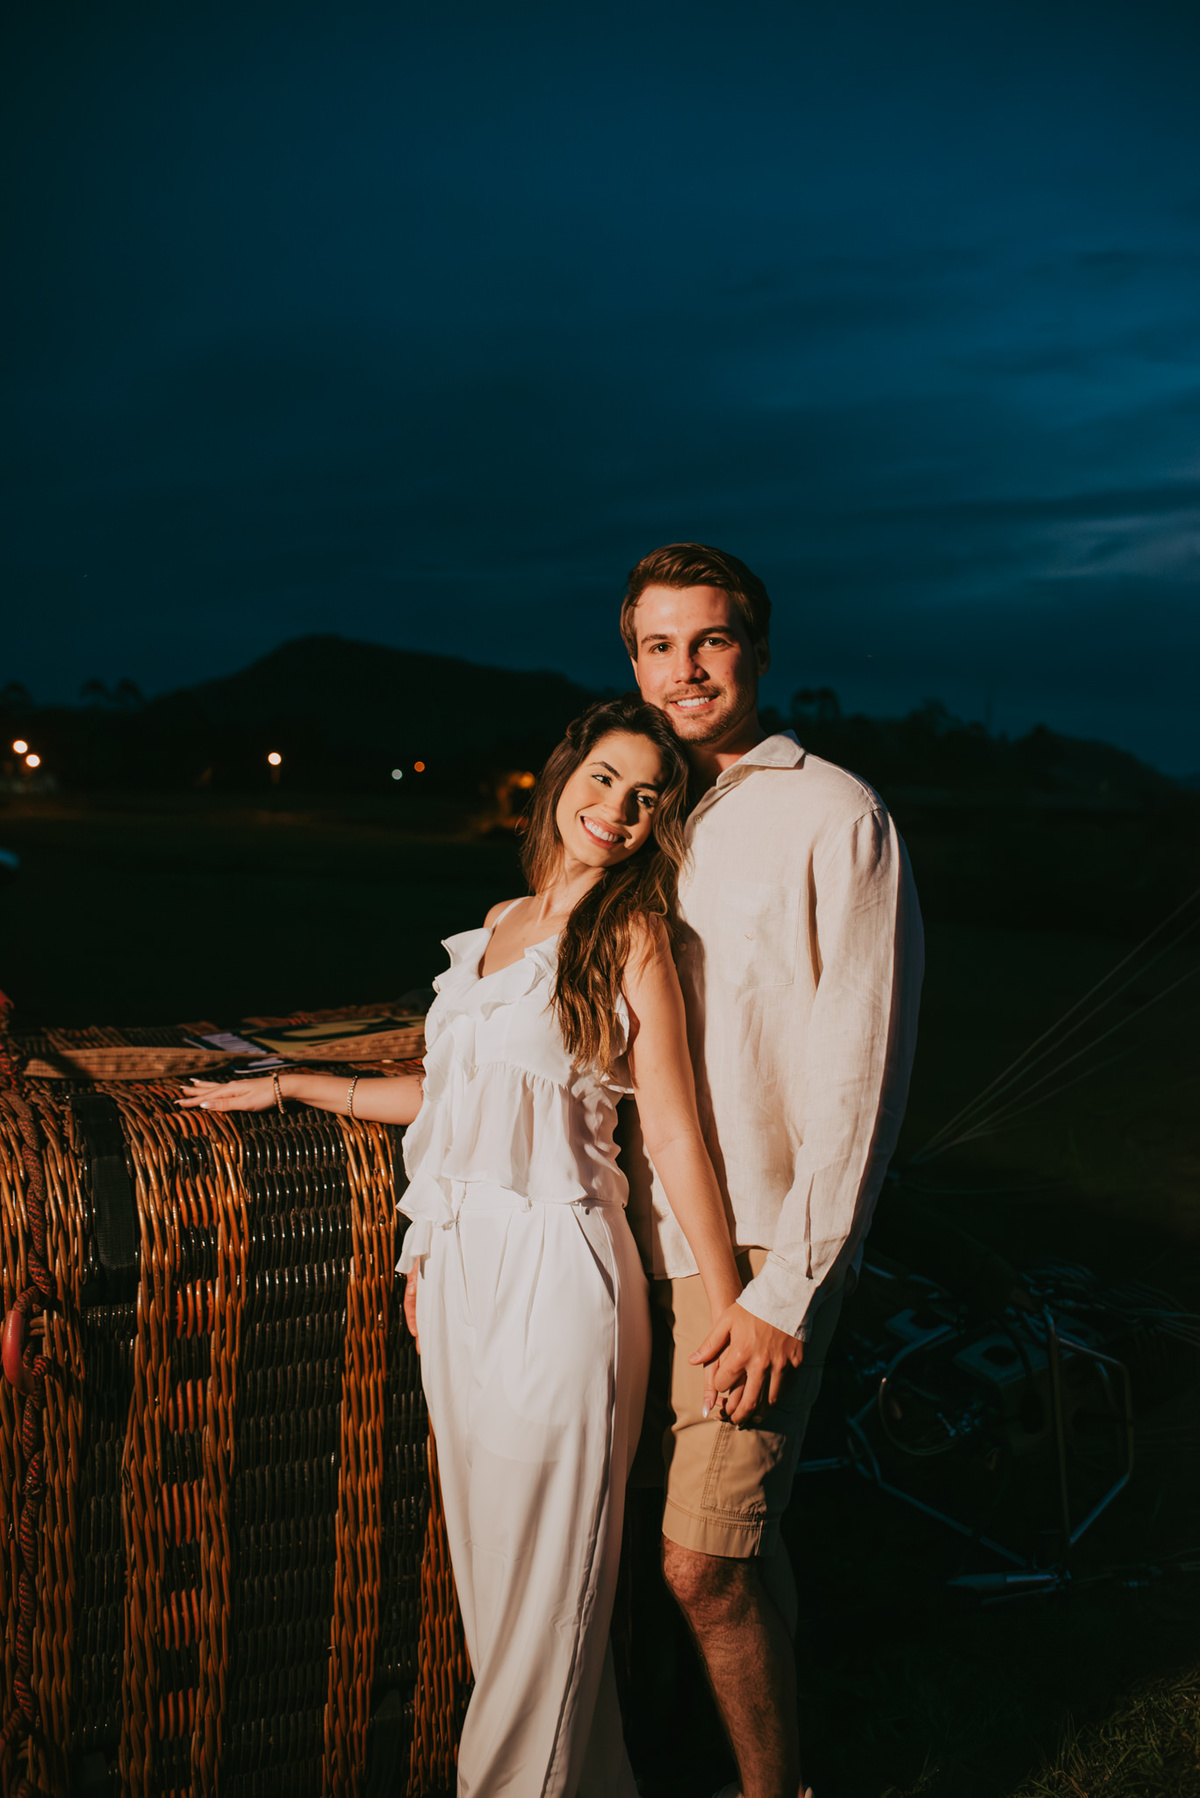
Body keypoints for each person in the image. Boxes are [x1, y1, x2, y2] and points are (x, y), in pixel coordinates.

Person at [179, 694, 744, 1798]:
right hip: (460, 1275)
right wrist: (293, 1081)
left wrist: (730, 1302)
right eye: (603, 779)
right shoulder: (500, 920)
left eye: (645, 798)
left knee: (552, 1602)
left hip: (559, 1271)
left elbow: (672, 1124)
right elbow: (451, 1093)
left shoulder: (632, 933)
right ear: (563, 776)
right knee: (495, 1598)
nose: (617, 809)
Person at [620, 545, 924, 1798]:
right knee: (739, 1547)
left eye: (712, 639)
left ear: (757, 646)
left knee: (703, 1560)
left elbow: (860, 1068)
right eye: (657, 645)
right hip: (639, 1230)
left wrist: (789, 1287)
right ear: (630, 661)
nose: (685, 670)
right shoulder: (636, 807)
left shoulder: (834, 813)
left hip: (753, 1250)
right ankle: (770, 1743)